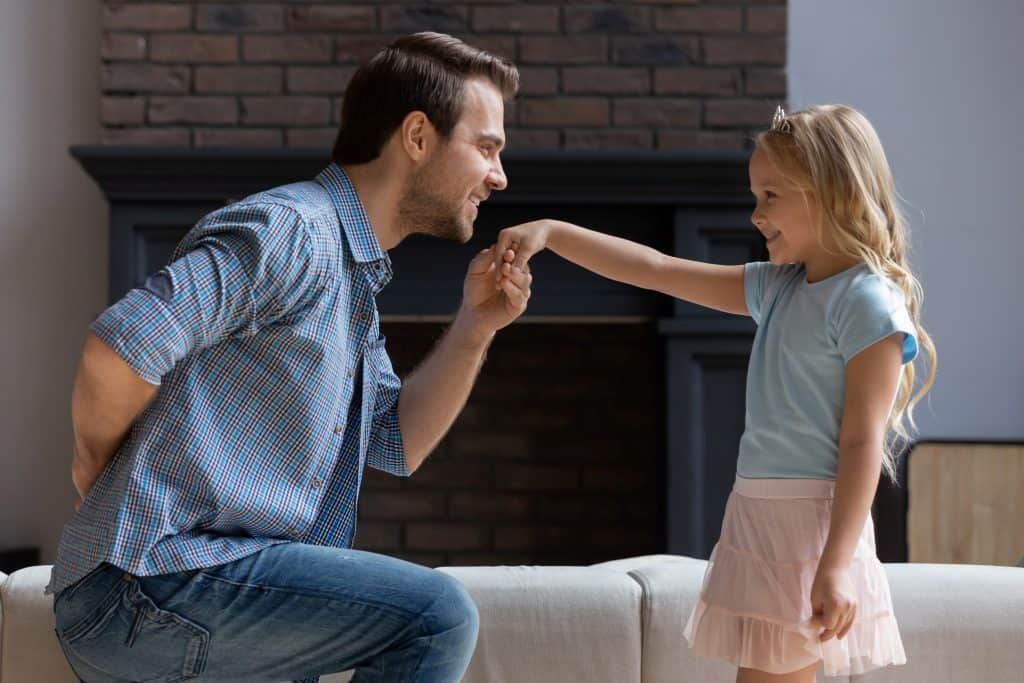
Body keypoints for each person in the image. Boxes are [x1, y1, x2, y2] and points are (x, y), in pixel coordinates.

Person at [49, 32, 531, 683]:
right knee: (437, 614)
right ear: (417, 136)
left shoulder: (353, 277)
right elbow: (120, 347)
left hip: (184, 593)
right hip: (149, 589)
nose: (499, 175)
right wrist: (93, 465)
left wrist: (477, 324)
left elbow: (398, 440)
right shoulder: (293, 233)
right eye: (487, 146)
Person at [492, 104, 936, 682]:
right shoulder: (778, 289)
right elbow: (654, 268)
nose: (755, 215)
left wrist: (834, 564)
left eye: (770, 196)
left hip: (812, 527)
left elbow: (861, 443)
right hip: (758, 513)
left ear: (832, 191)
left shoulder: (867, 303)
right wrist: (553, 232)